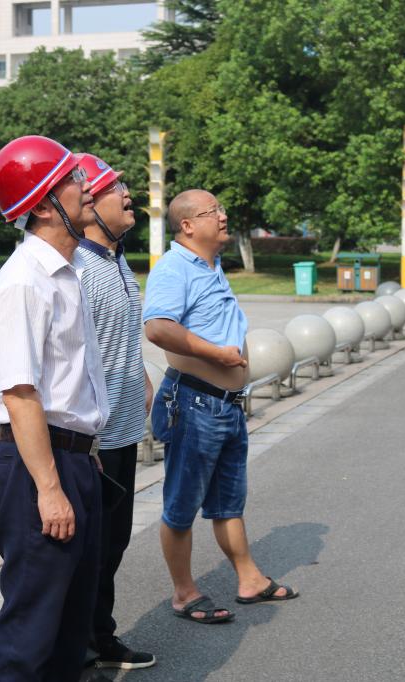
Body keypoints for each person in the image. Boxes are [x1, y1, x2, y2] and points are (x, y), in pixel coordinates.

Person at [0, 135, 111, 682]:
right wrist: (51, 487)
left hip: (72, 458)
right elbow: (20, 394)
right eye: (72, 179)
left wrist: (86, 454)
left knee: (70, 623)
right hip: (38, 466)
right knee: (32, 627)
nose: (87, 187)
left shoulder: (67, 273)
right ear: (42, 205)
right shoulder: (23, 283)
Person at [142, 189, 300, 625]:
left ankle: (249, 579)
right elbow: (158, 328)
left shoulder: (209, 265)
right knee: (181, 505)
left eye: (222, 209)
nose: (223, 216)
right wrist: (216, 354)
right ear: (188, 225)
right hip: (194, 403)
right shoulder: (175, 268)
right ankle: (184, 593)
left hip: (225, 405)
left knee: (228, 501)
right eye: (213, 211)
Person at [73, 153, 156, 670]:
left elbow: (118, 337)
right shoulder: (79, 269)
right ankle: (82, 648)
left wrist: (143, 380)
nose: (128, 196)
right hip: (95, 441)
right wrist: (88, 441)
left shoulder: (117, 260)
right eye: (113, 188)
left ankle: (99, 637)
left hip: (125, 430)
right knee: (90, 551)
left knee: (113, 544)